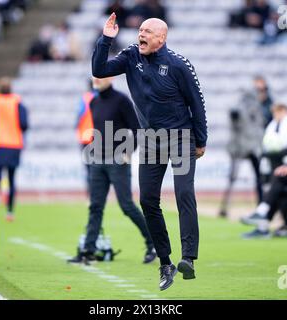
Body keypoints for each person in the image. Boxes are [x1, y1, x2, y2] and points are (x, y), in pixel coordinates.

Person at [92, 13, 208, 290]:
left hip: (181, 137)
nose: (140, 34)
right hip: (151, 140)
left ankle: (188, 258)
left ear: (161, 38)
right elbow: (99, 70)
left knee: (183, 193)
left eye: (147, 31)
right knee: (147, 200)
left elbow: (198, 104)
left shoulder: (179, 65)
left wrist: (201, 141)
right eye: (139, 30)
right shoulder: (131, 56)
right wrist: (106, 39)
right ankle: (165, 262)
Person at [68, 76, 156, 265]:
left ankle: (153, 243)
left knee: (126, 206)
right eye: (94, 76)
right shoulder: (93, 102)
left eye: (100, 76)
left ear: (111, 78)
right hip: (97, 161)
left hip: (118, 161)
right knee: (95, 206)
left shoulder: (122, 100)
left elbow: (138, 129)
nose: (96, 80)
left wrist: (128, 152)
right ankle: (89, 250)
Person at [219, 91, 265, 217]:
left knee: (258, 179)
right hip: (241, 147)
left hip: (250, 147)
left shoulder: (255, 112)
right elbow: (234, 113)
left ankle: (261, 207)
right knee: (233, 178)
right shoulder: (244, 110)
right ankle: (224, 208)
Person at [0, 77, 28, 222]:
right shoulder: (17, 102)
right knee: (12, 179)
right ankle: (10, 212)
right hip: (14, 144)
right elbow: (24, 124)